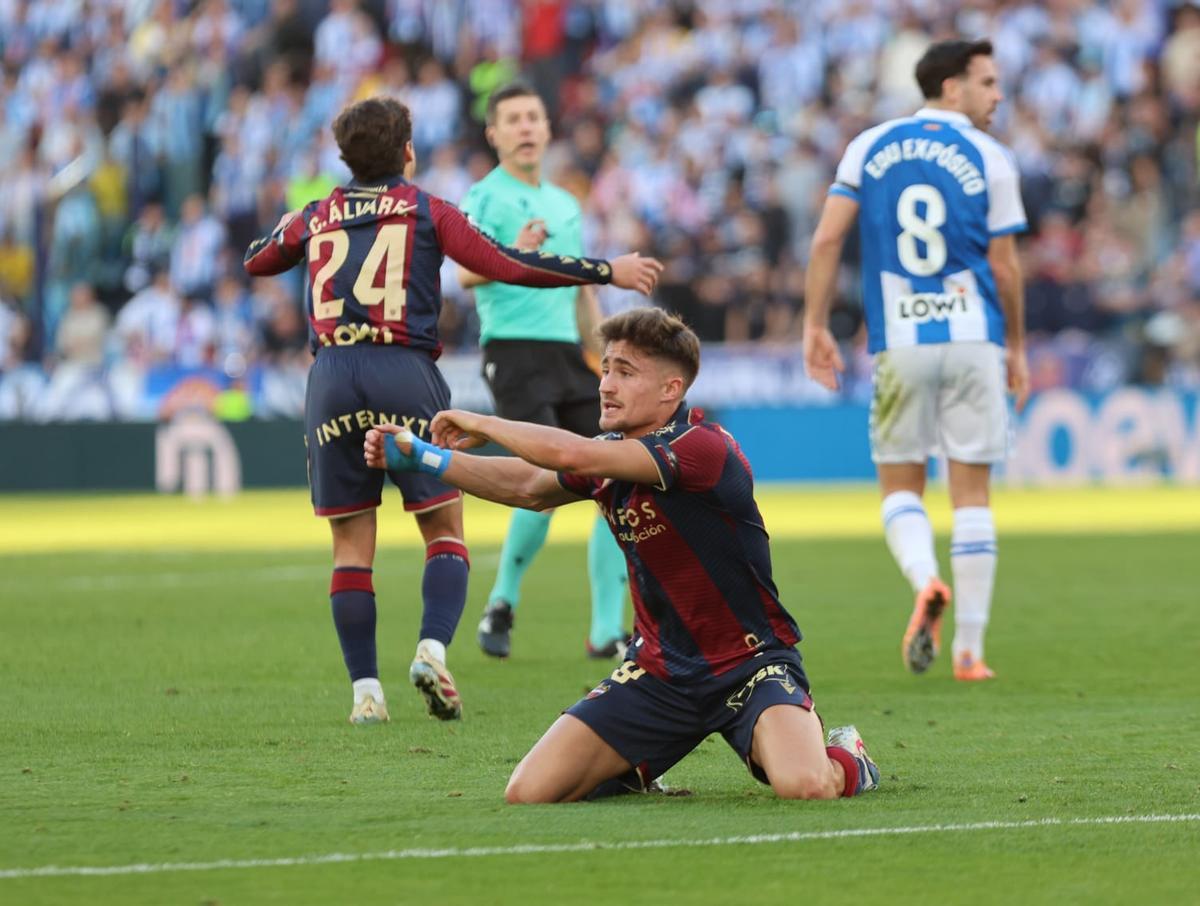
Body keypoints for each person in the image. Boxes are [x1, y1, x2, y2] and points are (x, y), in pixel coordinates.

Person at [244, 96, 662, 725]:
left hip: (330, 379)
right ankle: (433, 650)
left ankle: (365, 695)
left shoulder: (317, 213)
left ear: (344, 159)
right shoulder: (426, 209)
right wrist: (608, 269)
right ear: (407, 151)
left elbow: (258, 259)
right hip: (403, 373)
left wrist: (288, 226)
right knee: (442, 529)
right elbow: (508, 265)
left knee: (352, 546)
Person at [363, 308, 879, 802]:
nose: (606, 384)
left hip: (749, 664)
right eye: (606, 368)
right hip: (659, 672)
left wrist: (487, 423)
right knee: (530, 792)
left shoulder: (701, 446)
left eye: (625, 372)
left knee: (806, 785)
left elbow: (570, 455)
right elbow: (529, 487)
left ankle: (849, 755)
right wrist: (424, 456)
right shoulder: (610, 450)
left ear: (670, 389)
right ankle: (635, 767)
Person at [802, 39, 1029, 682]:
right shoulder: (990, 156)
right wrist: (1016, 346)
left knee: (901, 489)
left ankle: (926, 578)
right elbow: (1006, 271)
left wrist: (814, 324)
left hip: (901, 341)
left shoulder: (869, 146)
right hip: (973, 338)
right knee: (973, 494)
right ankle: (970, 652)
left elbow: (826, 239)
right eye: (987, 82)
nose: (998, 95)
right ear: (951, 87)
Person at [458, 82, 630, 661]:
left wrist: (605, 352)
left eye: (534, 115)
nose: (527, 127)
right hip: (513, 349)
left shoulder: (564, 205)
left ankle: (607, 630)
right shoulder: (484, 197)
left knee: (614, 475)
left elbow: (582, 287)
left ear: (547, 128)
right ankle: (502, 601)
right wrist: (511, 250)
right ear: (495, 133)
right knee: (541, 479)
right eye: (514, 119)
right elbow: (463, 275)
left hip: (566, 354)